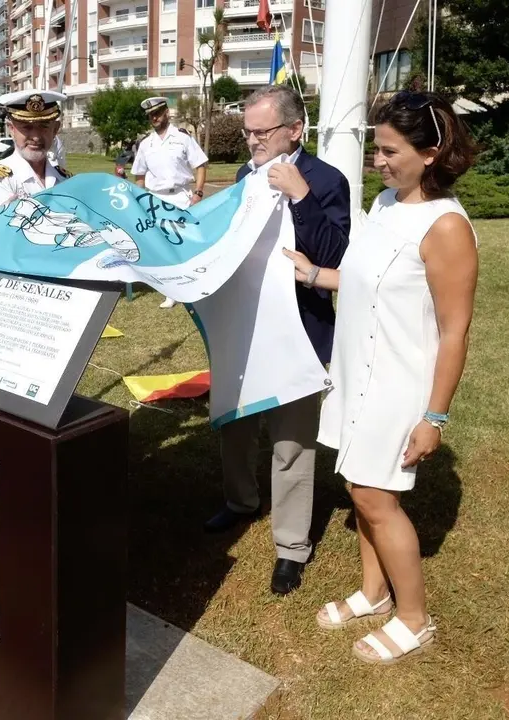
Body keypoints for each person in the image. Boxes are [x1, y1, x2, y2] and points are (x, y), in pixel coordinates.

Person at [285, 92, 476, 664]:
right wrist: (315, 273)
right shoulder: (389, 202)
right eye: (377, 148)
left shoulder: (446, 227)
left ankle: (413, 618)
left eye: (390, 151)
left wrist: (434, 416)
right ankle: (373, 592)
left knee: (374, 494)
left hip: (398, 382)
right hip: (353, 371)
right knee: (357, 488)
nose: (379, 161)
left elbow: (454, 331)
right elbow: (365, 277)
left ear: (432, 152)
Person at [203, 85, 351, 596]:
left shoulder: (326, 181)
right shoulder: (246, 176)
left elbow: (336, 256)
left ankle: (290, 546)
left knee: (291, 442)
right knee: (235, 425)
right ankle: (240, 501)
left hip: (300, 331)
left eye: (261, 132)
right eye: (247, 132)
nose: (251, 142)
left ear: (295, 130)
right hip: (245, 327)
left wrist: (301, 197)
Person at [133, 97, 210, 309]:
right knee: (163, 246)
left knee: (187, 243)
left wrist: (199, 193)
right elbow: (139, 176)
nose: (154, 118)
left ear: (167, 112)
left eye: (157, 113)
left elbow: (201, 165)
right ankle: (171, 291)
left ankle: (195, 286)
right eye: (150, 115)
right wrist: (139, 202)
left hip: (181, 197)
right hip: (155, 199)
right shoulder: (146, 144)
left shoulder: (183, 138)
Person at [0, 90, 71, 211]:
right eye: (27, 127)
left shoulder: (66, 179)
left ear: (55, 129)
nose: (36, 137)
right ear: (11, 129)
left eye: (44, 126)